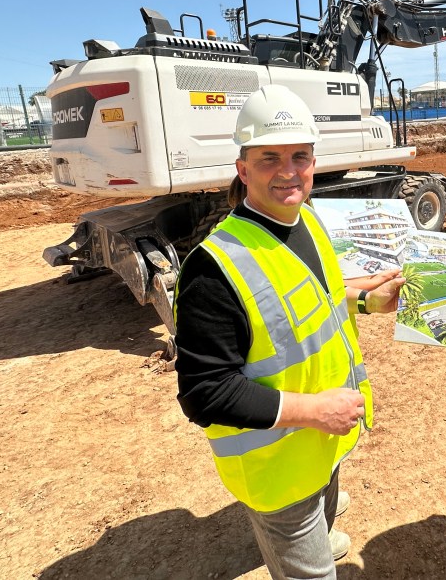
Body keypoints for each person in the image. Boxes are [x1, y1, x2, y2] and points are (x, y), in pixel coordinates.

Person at [173, 84, 404, 580]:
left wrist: (366, 300)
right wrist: (316, 411)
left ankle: (321, 528)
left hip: (322, 443)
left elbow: (308, 301)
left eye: (299, 156)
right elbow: (204, 392)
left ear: (314, 162)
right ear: (242, 169)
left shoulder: (308, 221)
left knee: (324, 503)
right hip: (277, 467)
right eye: (269, 158)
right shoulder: (214, 269)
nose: (288, 171)